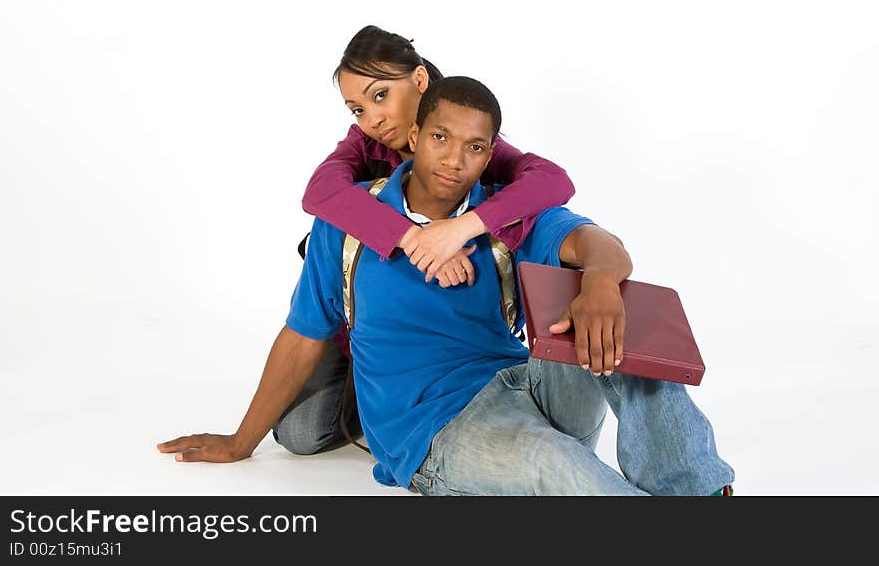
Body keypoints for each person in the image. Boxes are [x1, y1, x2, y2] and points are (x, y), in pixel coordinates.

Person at [158, 76, 735, 496]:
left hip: (526, 384)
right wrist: (240, 443)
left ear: (491, 156)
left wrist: (604, 282)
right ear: (414, 134)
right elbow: (302, 337)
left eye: (475, 147)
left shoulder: (501, 217)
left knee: (619, 315)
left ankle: (697, 491)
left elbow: (597, 243)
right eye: (440, 137)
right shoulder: (351, 223)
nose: (455, 159)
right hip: (434, 429)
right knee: (554, 461)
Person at [273, 25, 578, 456]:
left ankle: (435, 396)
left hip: (459, 323)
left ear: (419, 81)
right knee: (300, 434)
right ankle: (390, 394)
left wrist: (461, 228)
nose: (372, 118)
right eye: (356, 108)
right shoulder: (365, 145)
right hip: (370, 317)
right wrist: (414, 238)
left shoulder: (466, 138)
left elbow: (553, 181)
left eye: (380, 96)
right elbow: (319, 193)